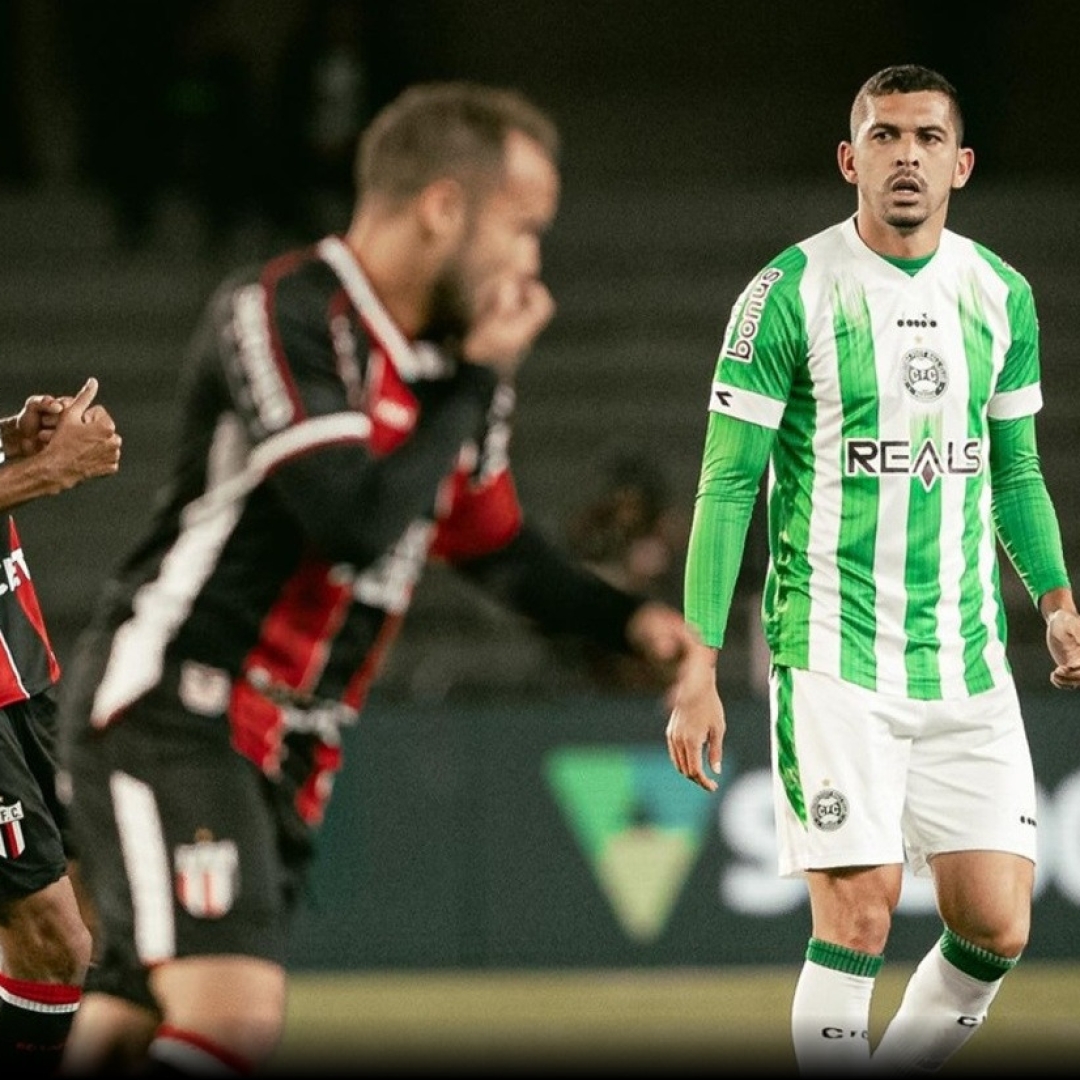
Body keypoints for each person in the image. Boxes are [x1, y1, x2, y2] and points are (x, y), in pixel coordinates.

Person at [56, 81, 697, 1075]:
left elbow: (493, 549)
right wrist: (477, 377)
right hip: (174, 704)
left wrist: (634, 625)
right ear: (444, 210)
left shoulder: (454, 371)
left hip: (287, 744)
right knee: (233, 1012)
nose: (533, 264)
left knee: (135, 1013)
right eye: (523, 229)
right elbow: (350, 518)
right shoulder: (284, 312)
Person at [664, 63, 1080, 1075]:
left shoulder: (1001, 296)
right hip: (835, 652)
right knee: (858, 912)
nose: (907, 156)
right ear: (850, 159)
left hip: (966, 657)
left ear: (962, 164)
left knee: (997, 925)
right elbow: (727, 489)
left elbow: (1014, 467)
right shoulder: (787, 294)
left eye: (928, 139)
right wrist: (697, 663)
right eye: (886, 137)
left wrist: (1058, 598)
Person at [0, 377, 122, 1072]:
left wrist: (7, 438)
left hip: (19, 662)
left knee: (107, 905)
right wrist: (46, 470)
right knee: (51, 939)